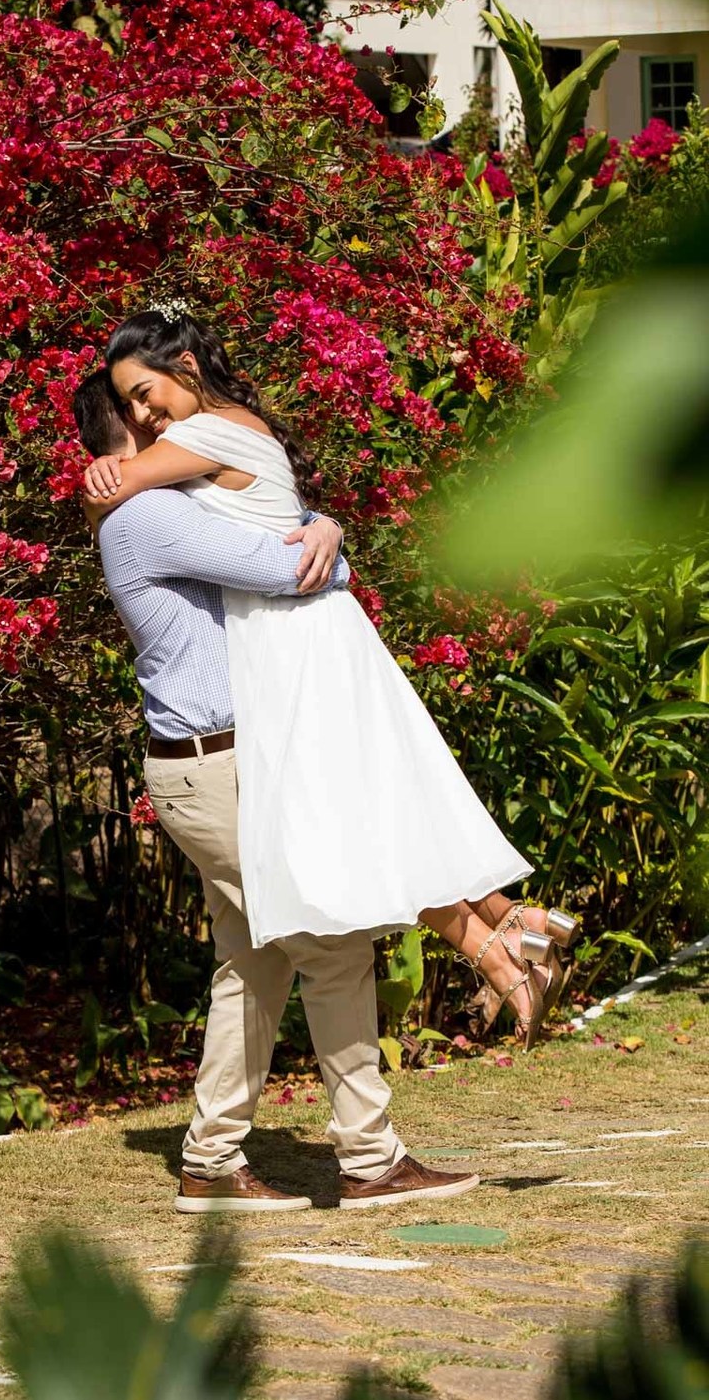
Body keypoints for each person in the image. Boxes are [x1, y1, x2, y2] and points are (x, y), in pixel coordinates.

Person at [84, 308, 581, 1055]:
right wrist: (324, 523)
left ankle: (505, 947)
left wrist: (103, 476)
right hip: (315, 636)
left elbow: (120, 483)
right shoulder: (232, 430)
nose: (144, 415)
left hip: (303, 639)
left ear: (185, 365)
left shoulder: (196, 438)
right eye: (129, 408)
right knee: (383, 803)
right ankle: (511, 924)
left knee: (365, 823)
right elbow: (263, 512)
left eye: (146, 393)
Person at [72, 366, 482, 1213]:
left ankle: (212, 1162)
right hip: (214, 767)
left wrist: (319, 521)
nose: (166, 419)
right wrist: (323, 531)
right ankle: (370, 1161)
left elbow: (283, 533)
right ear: (129, 432)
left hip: (223, 762)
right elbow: (293, 567)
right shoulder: (149, 515)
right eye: (145, 411)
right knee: (330, 946)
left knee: (253, 966)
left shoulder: (158, 505)